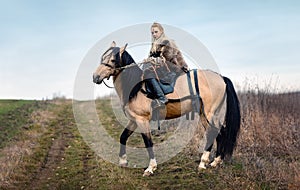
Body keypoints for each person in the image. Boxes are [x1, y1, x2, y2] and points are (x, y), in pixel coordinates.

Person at [142, 22, 189, 109]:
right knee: (145, 70)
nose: (154, 34)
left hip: (172, 68)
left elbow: (168, 58)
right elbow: (153, 57)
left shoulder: (167, 42)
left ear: (161, 31)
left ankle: (162, 98)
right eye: (152, 33)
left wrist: (153, 60)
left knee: (148, 75)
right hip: (162, 67)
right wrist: (147, 60)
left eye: (156, 32)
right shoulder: (155, 44)